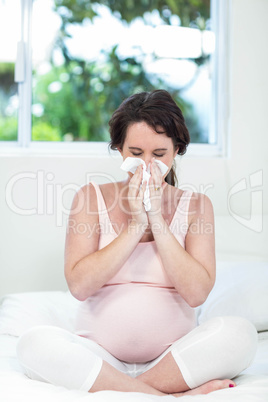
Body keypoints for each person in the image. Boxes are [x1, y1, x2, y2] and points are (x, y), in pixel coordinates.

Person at [16, 90, 257, 398]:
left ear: (176, 151)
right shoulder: (90, 198)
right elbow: (78, 285)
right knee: (32, 343)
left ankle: (128, 391)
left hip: (175, 359)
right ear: (119, 149)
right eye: (135, 153)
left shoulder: (197, 206)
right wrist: (136, 225)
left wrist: (156, 218)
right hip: (99, 357)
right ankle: (170, 396)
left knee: (241, 335)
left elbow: (197, 293)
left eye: (158, 155)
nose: (146, 165)